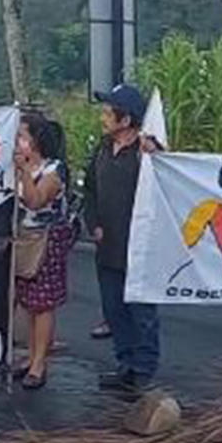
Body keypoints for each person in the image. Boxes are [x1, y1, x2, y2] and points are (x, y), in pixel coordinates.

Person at [84, 83, 163, 392]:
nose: (103, 118)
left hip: (139, 248)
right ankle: (125, 365)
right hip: (108, 246)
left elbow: (169, 177)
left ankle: (143, 370)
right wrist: (93, 224)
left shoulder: (145, 154)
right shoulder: (103, 148)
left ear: (126, 120)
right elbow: (89, 188)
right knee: (114, 309)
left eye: (108, 112)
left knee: (141, 312)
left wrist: (157, 153)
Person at [13, 113, 76, 390]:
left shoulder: (54, 169)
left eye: (22, 137)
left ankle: (40, 363)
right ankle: (31, 355)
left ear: (36, 141)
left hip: (47, 239)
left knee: (43, 303)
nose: (18, 142)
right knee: (28, 301)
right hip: (23, 238)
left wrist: (24, 171)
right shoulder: (18, 166)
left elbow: (35, 200)